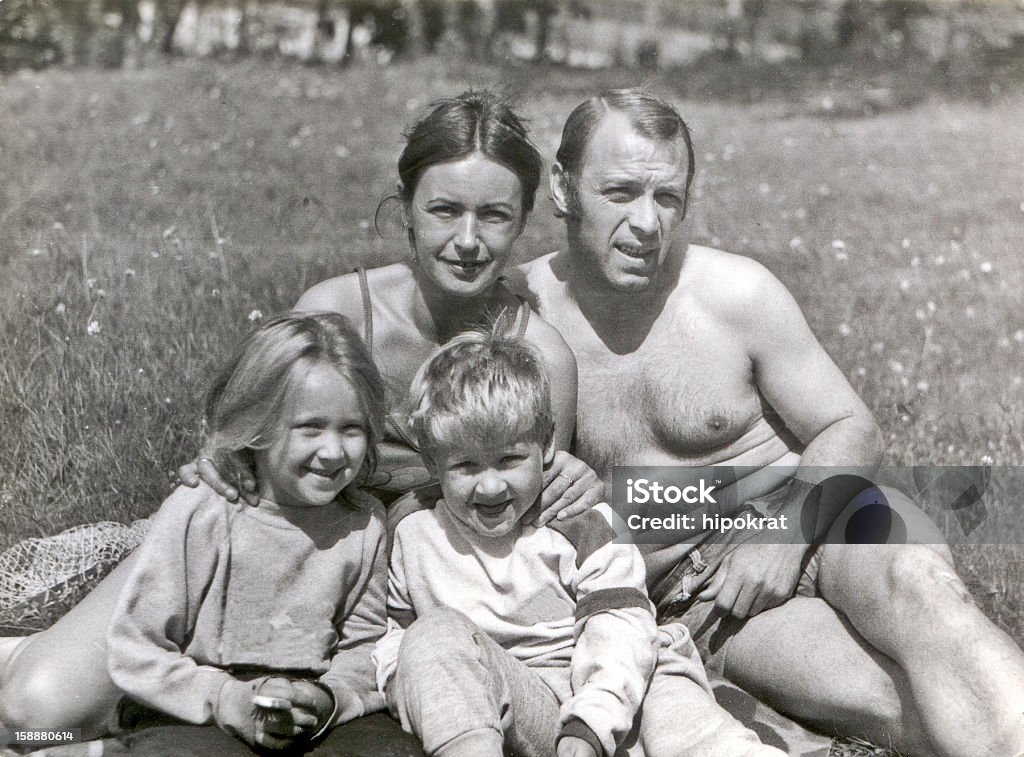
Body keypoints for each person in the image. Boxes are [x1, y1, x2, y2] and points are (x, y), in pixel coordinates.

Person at [0, 89, 599, 738]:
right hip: (274, 537)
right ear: (405, 211)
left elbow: (523, 521)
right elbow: (253, 435)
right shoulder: (339, 311)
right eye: (444, 210)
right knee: (37, 706)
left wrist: (575, 484)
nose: (467, 240)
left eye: (494, 216)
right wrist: (227, 459)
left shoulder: (540, 356)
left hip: (405, 596)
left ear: (523, 218)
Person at [509, 88, 1024, 756]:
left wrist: (782, 534)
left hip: (820, 516)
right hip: (704, 604)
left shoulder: (734, 292)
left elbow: (851, 425)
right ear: (562, 186)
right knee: (888, 698)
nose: (646, 223)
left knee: (923, 591)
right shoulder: (521, 320)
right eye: (621, 192)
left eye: (667, 198)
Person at [374, 321, 785, 757]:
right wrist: (419, 689)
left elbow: (619, 632)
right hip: (517, 703)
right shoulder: (416, 534)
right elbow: (395, 642)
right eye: (467, 466)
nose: (490, 486)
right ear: (431, 460)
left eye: (510, 459)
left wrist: (589, 725)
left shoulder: (582, 525)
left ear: (548, 443)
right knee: (433, 636)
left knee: (671, 698)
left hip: (613, 686)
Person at [102, 311, 419, 756]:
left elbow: (365, 645)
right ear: (259, 425)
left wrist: (330, 698)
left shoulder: (363, 524)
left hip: (309, 701)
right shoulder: (204, 510)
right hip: (200, 698)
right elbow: (137, 647)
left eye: (352, 430)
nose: (332, 451)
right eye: (309, 428)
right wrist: (227, 699)